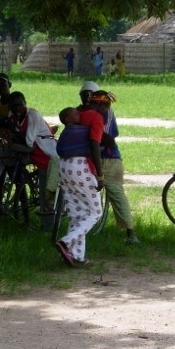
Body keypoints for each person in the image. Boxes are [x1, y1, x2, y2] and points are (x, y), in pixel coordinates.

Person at [54, 106, 105, 267]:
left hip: (64, 168)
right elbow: (94, 146)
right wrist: (100, 176)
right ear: (68, 119)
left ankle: (76, 255)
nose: (79, 114)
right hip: (79, 168)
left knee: (77, 213)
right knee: (95, 212)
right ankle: (66, 242)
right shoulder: (84, 127)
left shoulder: (67, 132)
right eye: (75, 114)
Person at [86, 90, 138, 244]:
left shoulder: (96, 115)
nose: (107, 108)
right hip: (108, 158)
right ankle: (130, 232)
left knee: (116, 194)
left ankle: (130, 232)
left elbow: (106, 140)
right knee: (118, 196)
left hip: (107, 160)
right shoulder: (99, 115)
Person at [7, 91, 59, 213]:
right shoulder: (11, 115)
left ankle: (48, 214)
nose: (17, 108)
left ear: (25, 104)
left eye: (20, 105)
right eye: (14, 106)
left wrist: (13, 132)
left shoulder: (33, 115)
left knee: (46, 191)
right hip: (32, 153)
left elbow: (29, 142)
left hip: (45, 153)